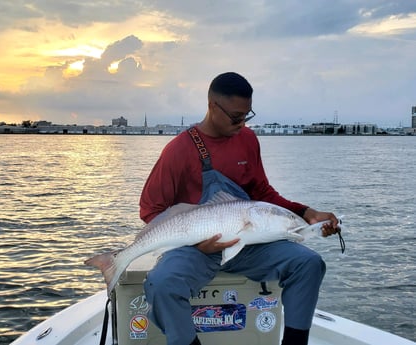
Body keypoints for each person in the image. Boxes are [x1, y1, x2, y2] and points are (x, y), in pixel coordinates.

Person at [139, 72, 340, 345]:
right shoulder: (179, 150)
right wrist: (198, 242)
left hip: (248, 243)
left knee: (309, 263)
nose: (242, 123)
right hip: (196, 250)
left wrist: (306, 213)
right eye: (236, 117)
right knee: (162, 283)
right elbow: (151, 210)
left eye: (247, 115)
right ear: (212, 106)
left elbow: (261, 192)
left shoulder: (247, 139)